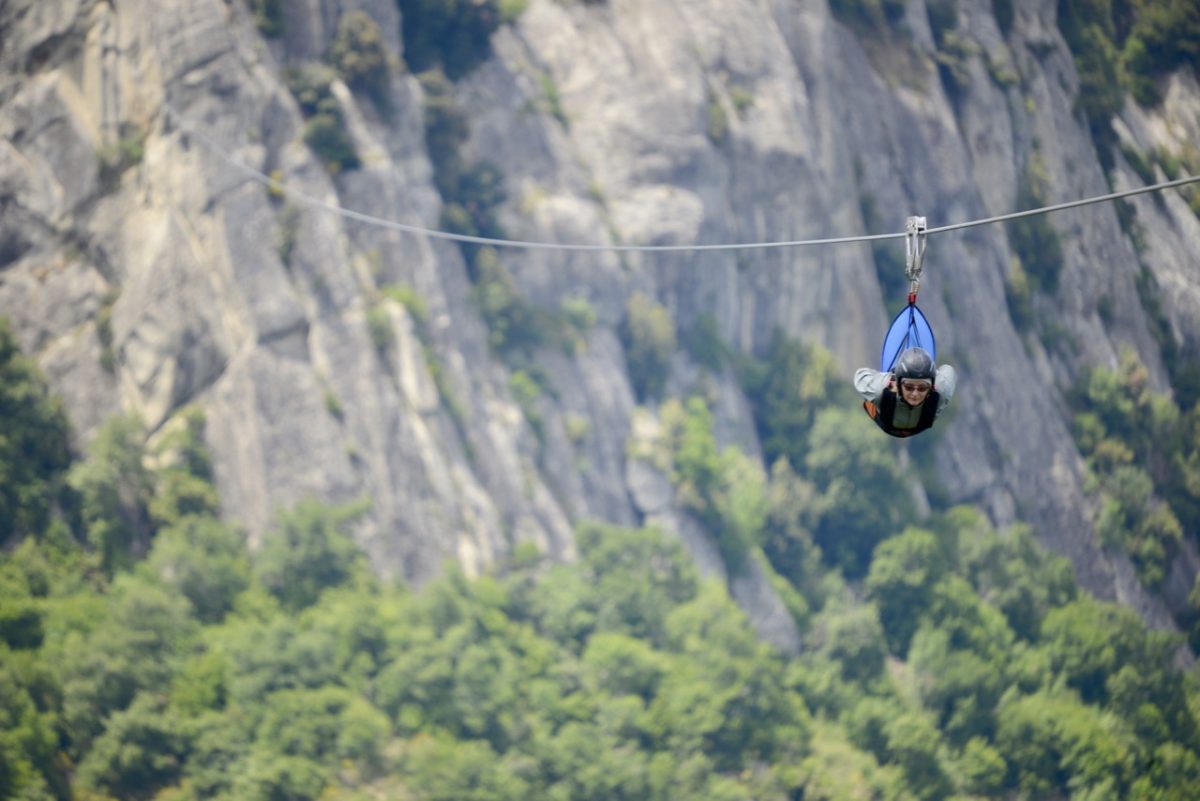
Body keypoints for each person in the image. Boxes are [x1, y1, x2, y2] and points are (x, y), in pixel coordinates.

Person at [854, 347, 956, 438]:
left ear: (931, 387)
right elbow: (859, 375)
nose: (915, 394)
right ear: (898, 384)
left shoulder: (942, 390)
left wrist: (929, 373)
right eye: (909, 387)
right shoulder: (880, 390)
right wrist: (888, 379)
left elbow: (950, 370)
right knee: (877, 397)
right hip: (886, 422)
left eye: (922, 388)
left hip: (919, 427)